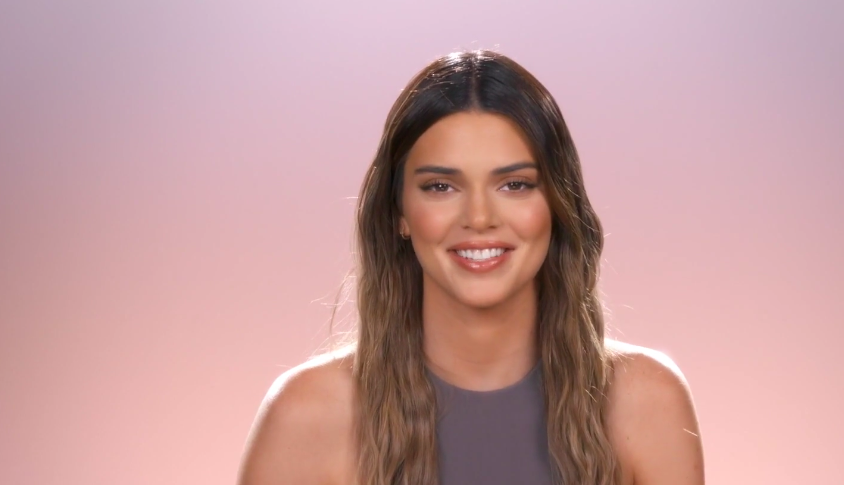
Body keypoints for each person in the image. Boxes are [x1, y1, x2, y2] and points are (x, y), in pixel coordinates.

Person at [236, 50, 703, 485]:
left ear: (559, 204)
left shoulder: (646, 403)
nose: (479, 218)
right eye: (441, 186)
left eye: (515, 184)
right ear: (399, 212)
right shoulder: (307, 414)